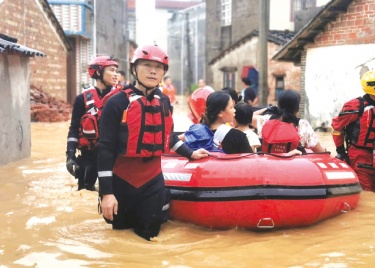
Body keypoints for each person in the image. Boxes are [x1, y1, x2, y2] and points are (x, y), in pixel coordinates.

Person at [97, 44, 209, 241]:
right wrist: (107, 193)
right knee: (120, 241)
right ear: (134, 69)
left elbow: (169, 136)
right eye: (147, 65)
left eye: (158, 67)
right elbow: (104, 148)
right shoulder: (116, 103)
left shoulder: (164, 101)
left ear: (163, 72)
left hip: (152, 182)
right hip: (121, 182)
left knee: (148, 238)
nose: (152, 71)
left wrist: (190, 153)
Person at [331, 69, 375, 192]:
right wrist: (341, 151)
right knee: (364, 194)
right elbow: (337, 128)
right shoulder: (355, 107)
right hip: (360, 159)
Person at [66, 56, 119, 191]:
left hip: (113, 156)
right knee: (84, 191)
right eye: (111, 70)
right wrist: (70, 156)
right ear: (98, 72)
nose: (115, 74)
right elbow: (73, 129)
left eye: (116, 71)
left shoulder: (121, 98)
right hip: (89, 156)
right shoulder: (81, 99)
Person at [253, 89, 326, 154]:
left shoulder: (264, 120)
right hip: (292, 167)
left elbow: (247, 116)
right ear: (297, 109)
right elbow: (320, 152)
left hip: (268, 165)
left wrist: (268, 109)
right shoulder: (303, 125)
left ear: (279, 106)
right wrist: (324, 151)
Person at [184, 91, 253, 154]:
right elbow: (250, 162)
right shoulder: (238, 137)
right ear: (220, 113)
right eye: (231, 107)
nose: (234, 110)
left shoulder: (195, 132)